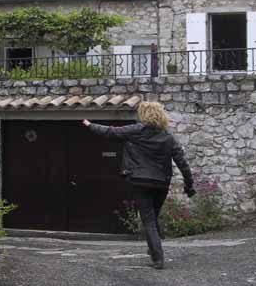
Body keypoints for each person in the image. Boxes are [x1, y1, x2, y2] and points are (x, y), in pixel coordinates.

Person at [82, 102, 194, 270]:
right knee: (153, 218)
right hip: (161, 182)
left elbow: (111, 132)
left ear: (144, 114)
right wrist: (189, 185)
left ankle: (158, 257)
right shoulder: (168, 137)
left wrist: (90, 125)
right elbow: (182, 163)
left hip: (139, 180)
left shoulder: (136, 130)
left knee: (148, 220)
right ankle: (154, 249)